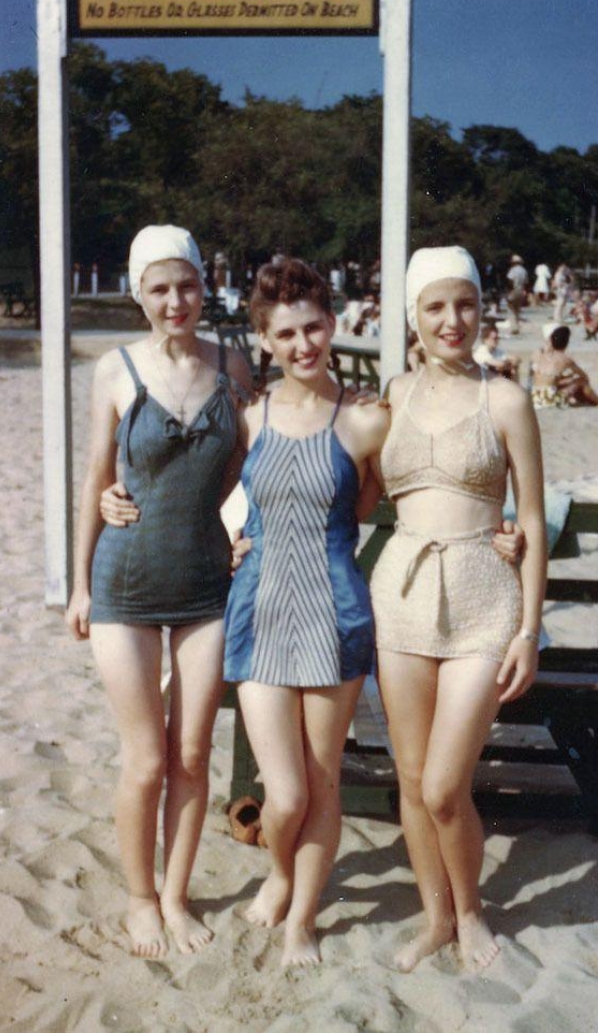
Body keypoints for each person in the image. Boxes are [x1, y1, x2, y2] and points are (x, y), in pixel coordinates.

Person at [65, 225, 252, 958]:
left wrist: (239, 527)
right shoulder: (114, 369)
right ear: (138, 294)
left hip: (208, 582)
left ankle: (175, 895)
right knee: (146, 759)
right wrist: (79, 584)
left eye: (188, 286)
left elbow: (247, 463)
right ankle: (140, 898)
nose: (176, 301)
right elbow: (95, 475)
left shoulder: (232, 365)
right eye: (160, 289)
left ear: (205, 286)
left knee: (193, 754)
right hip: (125, 582)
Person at [370, 246, 547, 972]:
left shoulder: (504, 399)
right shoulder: (393, 394)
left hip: (483, 601)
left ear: (481, 309)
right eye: (435, 306)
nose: (452, 320)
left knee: (446, 785)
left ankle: (470, 911)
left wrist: (529, 630)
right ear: (413, 316)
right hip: (401, 597)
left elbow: (532, 518)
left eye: (465, 304)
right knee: (413, 781)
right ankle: (436, 917)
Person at [223, 259, 391, 968]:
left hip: (334, 615)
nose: (303, 344)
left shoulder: (365, 419)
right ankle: (281, 873)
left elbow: (407, 495)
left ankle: (300, 919)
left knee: (321, 783)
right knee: (284, 794)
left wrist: (503, 529)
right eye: (286, 333)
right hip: (258, 614)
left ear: (333, 323)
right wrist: (227, 540)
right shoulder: (248, 417)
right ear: (264, 340)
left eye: (313, 327)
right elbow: (200, 493)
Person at [530, 325, 598, 408]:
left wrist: (564, 379)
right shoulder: (565, 359)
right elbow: (584, 376)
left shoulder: (538, 354)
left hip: (534, 397)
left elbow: (546, 378)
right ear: (566, 342)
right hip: (549, 399)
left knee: (564, 382)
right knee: (581, 381)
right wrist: (569, 379)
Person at [505, 254, 528, 334]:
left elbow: (510, 280)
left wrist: (509, 290)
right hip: (521, 290)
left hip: (514, 289)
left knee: (511, 308)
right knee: (518, 309)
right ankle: (517, 326)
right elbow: (526, 282)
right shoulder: (524, 270)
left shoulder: (513, 270)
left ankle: (514, 327)